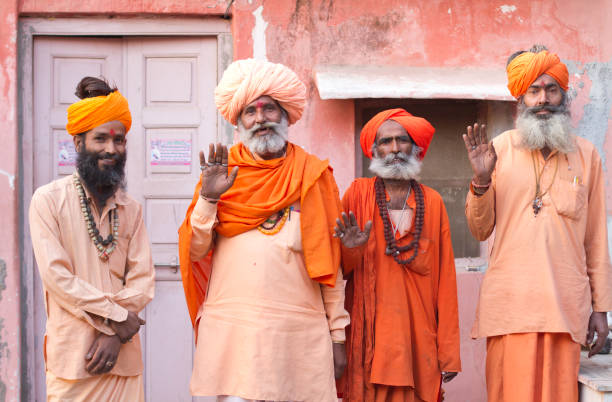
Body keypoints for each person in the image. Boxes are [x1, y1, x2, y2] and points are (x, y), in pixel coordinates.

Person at [178, 59, 368, 402]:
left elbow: (331, 268)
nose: (261, 118)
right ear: (238, 122)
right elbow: (194, 252)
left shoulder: (314, 175)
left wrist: (338, 338)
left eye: (269, 109)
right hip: (236, 339)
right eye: (250, 111)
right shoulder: (221, 175)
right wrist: (208, 198)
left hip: (298, 338)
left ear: (286, 115)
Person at [464, 45, 612, 402]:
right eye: (534, 90)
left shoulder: (586, 155)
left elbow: (595, 239)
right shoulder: (500, 149)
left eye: (551, 89)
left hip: (565, 309)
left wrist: (601, 309)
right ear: (522, 99)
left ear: (564, 95)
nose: (543, 98)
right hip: (510, 308)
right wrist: (481, 181)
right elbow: (480, 230)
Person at [29, 77, 155, 401]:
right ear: (78, 142)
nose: (111, 149)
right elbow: (58, 278)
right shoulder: (47, 201)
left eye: (119, 140)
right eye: (100, 139)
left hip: (124, 360)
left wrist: (114, 336)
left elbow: (142, 282)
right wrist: (117, 319)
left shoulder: (132, 209)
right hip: (73, 361)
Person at [338, 108, 461, 402]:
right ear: (374, 149)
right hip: (370, 341)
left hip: (418, 342)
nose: (394, 149)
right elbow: (336, 270)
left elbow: (445, 280)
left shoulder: (433, 202)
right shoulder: (357, 194)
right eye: (385, 142)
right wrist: (351, 249)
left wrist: (449, 351)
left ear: (416, 147)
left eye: (402, 140)